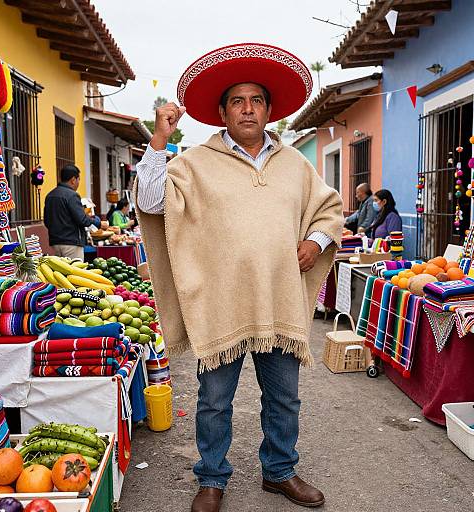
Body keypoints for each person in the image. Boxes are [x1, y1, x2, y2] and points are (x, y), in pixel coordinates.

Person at [135, 43, 344, 512]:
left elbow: (330, 210)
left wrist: (316, 242)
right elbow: (151, 203)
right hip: (221, 301)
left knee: (284, 398)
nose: (247, 109)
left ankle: (280, 472)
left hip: (278, 299)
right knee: (213, 400)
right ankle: (211, 478)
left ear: (270, 111)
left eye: (256, 100)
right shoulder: (194, 163)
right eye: (237, 100)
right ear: (222, 112)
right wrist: (159, 142)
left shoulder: (295, 165)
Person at [44, 164, 105, 260]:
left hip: (55, 243)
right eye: (78, 179)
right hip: (72, 243)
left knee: (60, 273)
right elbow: (82, 219)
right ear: (73, 180)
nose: (78, 182)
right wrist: (98, 223)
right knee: (75, 272)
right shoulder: (72, 195)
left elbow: (47, 221)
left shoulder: (50, 195)